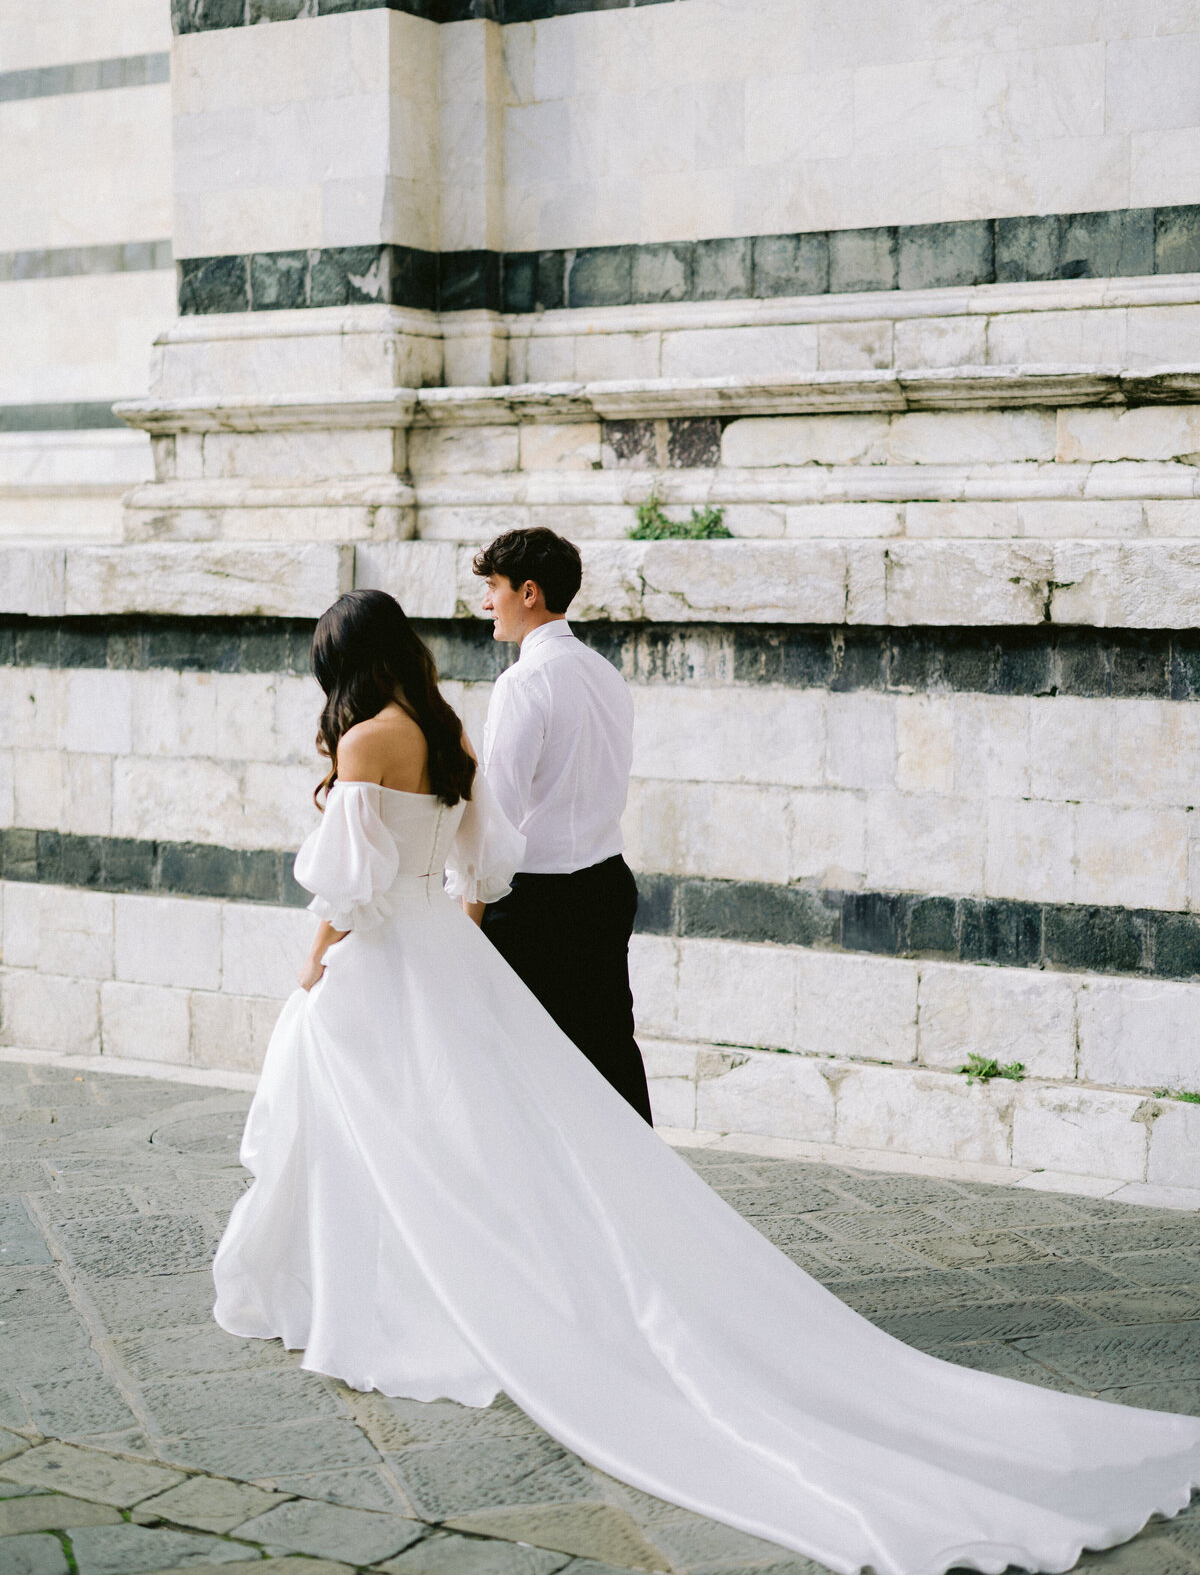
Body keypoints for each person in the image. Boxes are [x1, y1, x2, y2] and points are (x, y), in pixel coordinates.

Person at [213, 589, 1200, 1575]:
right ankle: (441, 1292)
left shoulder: (363, 743)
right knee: (466, 1140)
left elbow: (344, 887)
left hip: (389, 956)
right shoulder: (446, 727)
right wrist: (452, 949)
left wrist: (313, 967)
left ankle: (380, 1304)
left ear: (339, 659)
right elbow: (482, 866)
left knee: (373, 1129)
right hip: (444, 949)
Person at [470, 526, 652, 1124]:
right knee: (609, 1057)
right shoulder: (605, 674)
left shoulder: (524, 682)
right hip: (605, 886)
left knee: (522, 1069)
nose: (486, 602)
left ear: (528, 592)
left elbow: (497, 810)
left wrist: (467, 907)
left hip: (537, 905)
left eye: (492, 587)